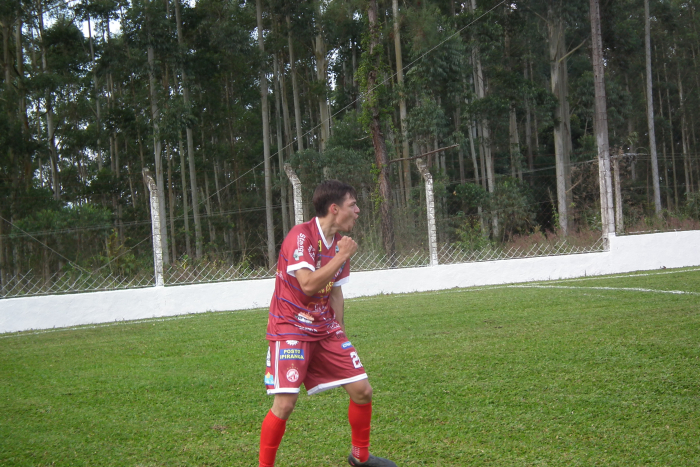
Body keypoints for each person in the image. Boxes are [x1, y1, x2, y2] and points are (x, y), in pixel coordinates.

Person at [259, 180, 397, 467]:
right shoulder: (301, 236)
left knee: (362, 390)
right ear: (334, 209)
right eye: (352, 205)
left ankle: (360, 457)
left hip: (324, 327)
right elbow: (308, 284)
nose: (358, 211)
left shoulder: (340, 243)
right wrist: (342, 255)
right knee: (285, 404)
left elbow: (335, 292)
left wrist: (341, 335)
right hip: (290, 326)